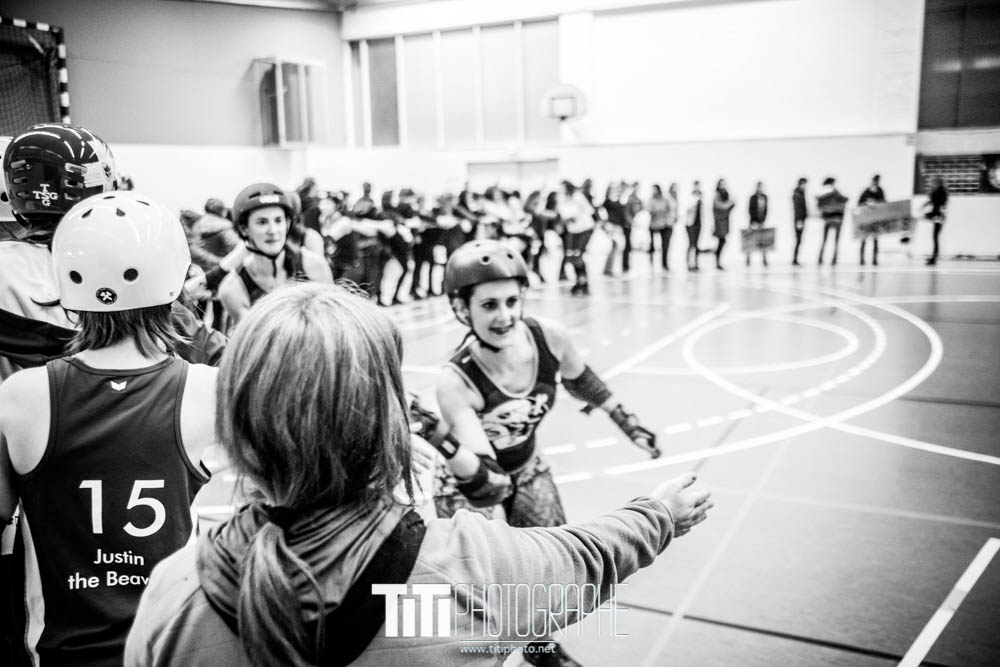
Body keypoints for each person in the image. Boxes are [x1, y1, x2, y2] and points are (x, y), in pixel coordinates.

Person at [123, 282, 711, 667]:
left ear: (238, 425)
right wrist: (660, 514)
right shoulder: (460, 577)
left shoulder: (177, 592)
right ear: (384, 422)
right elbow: (584, 557)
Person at [0, 191, 216, 666]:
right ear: (173, 278)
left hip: (62, 652)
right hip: (175, 646)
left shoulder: (20, 396)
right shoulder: (210, 389)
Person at [217, 182, 332, 328]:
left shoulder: (314, 266)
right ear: (244, 229)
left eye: (278, 220)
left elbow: (332, 328)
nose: (273, 230)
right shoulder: (232, 289)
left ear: (288, 224)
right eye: (262, 222)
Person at [557, 181, 596, 295]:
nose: (561, 190)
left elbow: (590, 210)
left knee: (578, 255)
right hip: (572, 230)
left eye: (562, 188)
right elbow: (563, 215)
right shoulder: (561, 199)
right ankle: (578, 281)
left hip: (584, 229)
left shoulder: (578, 197)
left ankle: (583, 282)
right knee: (570, 256)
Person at [816, 177, 848, 266]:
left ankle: (821, 259)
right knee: (835, 241)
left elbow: (819, 206)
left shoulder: (823, 193)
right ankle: (833, 259)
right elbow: (844, 200)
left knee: (825, 240)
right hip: (836, 219)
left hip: (828, 219)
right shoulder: (836, 192)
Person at [857, 174, 886, 266]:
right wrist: (866, 203)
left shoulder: (880, 191)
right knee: (864, 240)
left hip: (876, 219)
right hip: (866, 219)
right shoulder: (866, 192)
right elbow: (859, 203)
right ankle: (862, 259)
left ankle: (874, 259)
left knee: (875, 240)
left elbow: (884, 203)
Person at [923, 176, 948, 266]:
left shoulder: (940, 192)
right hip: (938, 215)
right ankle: (934, 258)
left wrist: (929, 215)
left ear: (937, 183)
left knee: (935, 237)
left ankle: (934, 258)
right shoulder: (939, 191)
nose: (931, 184)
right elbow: (933, 201)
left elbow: (938, 204)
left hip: (938, 215)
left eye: (933, 183)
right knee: (935, 237)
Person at [712, 179, 735, 270]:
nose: (723, 185)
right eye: (721, 184)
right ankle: (716, 258)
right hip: (719, 221)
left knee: (722, 241)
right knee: (722, 240)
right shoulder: (717, 195)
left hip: (725, 221)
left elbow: (730, 205)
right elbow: (720, 206)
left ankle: (716, 257)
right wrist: (729, 204)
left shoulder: (726, 194)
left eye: (724, 184)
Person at [746, 181, 769, 268]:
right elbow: (751, 209)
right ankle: (748, 259)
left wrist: (763, 220)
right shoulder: (753, 197)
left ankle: (764, 259)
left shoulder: (765, 197)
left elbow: (766, 210)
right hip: (753, 221)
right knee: (750, 240)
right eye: (760, 187)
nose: (761, 189)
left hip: (761, 222)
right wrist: (754, 221)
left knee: (763, 240)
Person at [686, 181, 704, 272]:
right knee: (691, 244)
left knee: (696, 245)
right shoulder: (690, 198)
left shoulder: (701, 198)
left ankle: (695, 263)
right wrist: (695, 200)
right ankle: (689, 263)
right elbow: (687, 209)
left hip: (698, 224)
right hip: (690, 224)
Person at [791, 177, 808, 266]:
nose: (805, 186)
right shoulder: (797, 194)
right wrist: (799, 220)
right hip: (799, 219)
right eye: (804, 184)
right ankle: (795, 259)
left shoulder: (801, 193)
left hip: (801, 219)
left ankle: (795, 258)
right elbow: (797, 208)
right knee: (798, 239)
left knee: (799, 240)